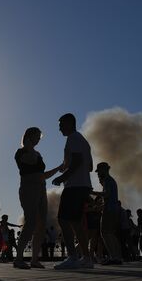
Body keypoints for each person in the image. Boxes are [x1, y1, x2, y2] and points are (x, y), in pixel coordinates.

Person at [13, 127, 61, 269]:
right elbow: (30, 162)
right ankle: (19, 258)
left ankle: (34, 259)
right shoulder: (21, 152)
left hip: (41, 188)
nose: (39, 139)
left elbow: (43, 174)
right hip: (29, 188)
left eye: (40, 137)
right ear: (29, 136)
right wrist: (28, 146)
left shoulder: (38, 154)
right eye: (37, 136)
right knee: (30, 222)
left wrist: (58, 168)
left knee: (41, 224)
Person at [52, 113, 94, 270]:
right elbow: (89, 166)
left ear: (70, 123)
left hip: (74, 186)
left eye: (61, 124)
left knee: (63, 219)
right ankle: (87, 258)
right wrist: (66, 165)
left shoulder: (73, 138)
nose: (60, 128)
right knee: (76, 223)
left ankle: (73, 257)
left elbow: (77, 161)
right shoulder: (83, 140)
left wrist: (63, 177)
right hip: (84, 185)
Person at [91, 162, 122, 265]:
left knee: (105, 233)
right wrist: (99, 207)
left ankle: (114, 257)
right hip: (112, 210)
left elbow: (107, 194)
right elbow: (109, 198)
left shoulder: (108, 180)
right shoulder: (110, 181)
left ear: (104, 170)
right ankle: (117, 257)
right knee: (110, 234)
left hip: (109, 210)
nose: (98, 173)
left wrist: (92, 192)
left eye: (99, 171)